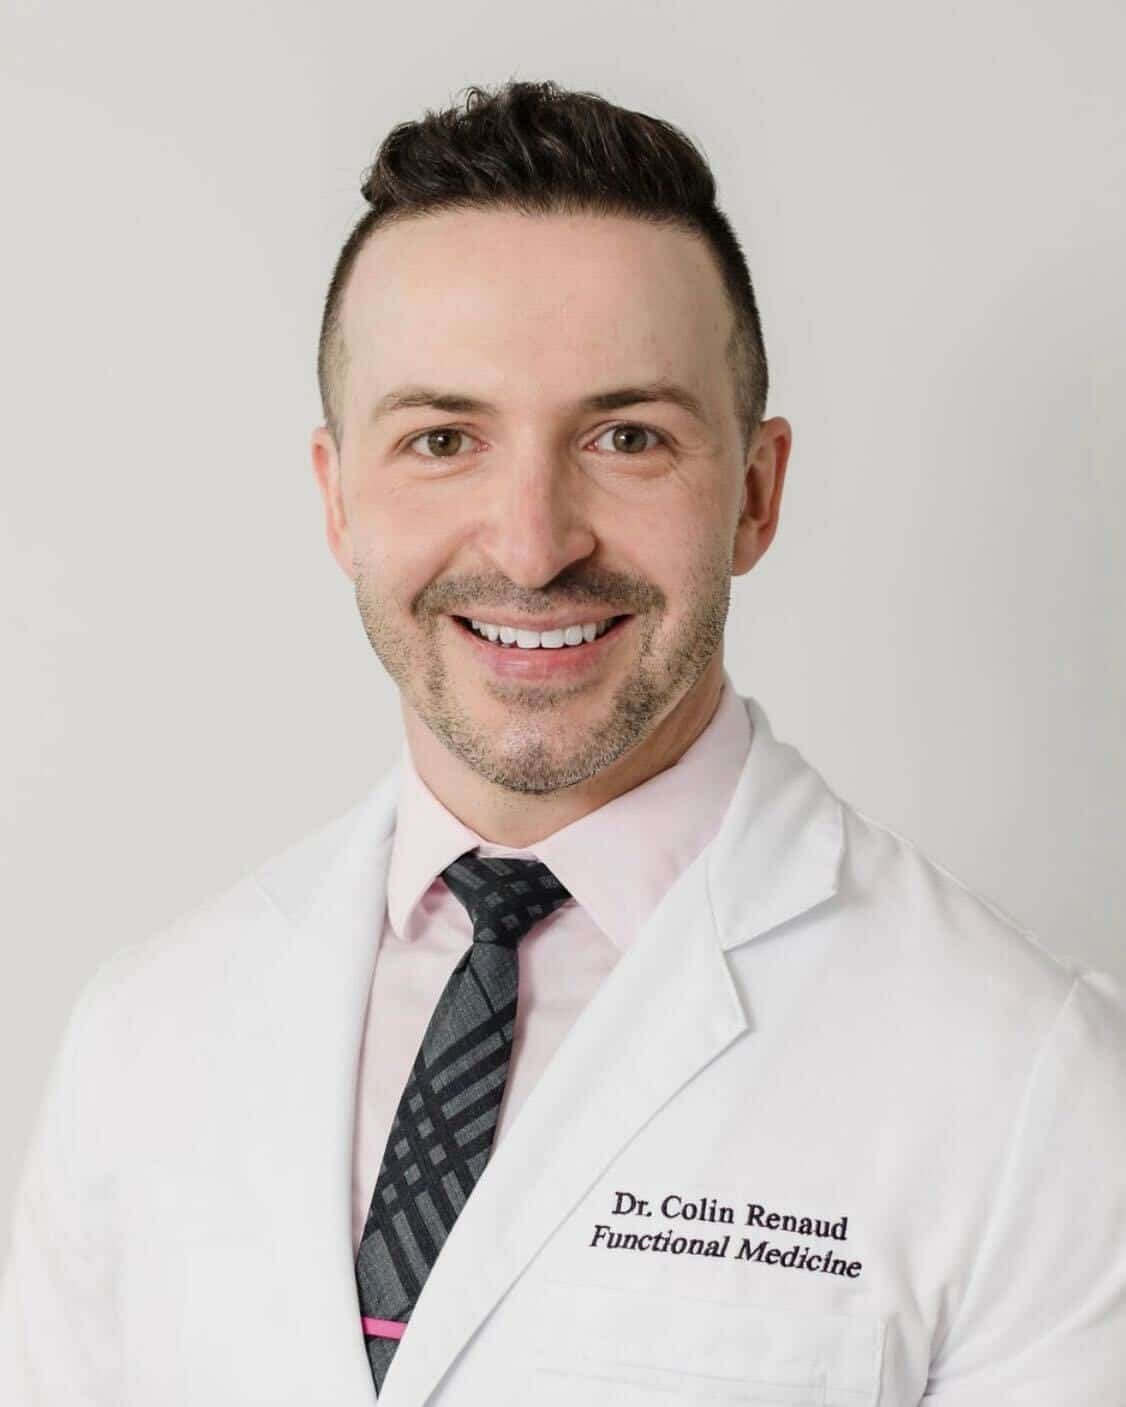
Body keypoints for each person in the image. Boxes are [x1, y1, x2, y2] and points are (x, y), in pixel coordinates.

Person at [2, 77, 1124, 1407]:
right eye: (440, 439)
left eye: (624, 436)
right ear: (338, 499)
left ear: (755, 495)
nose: (532, 544)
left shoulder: (1031, 1087)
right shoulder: (145, 1034)